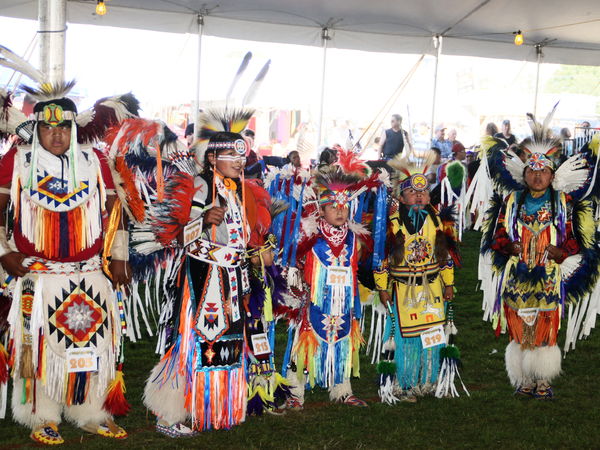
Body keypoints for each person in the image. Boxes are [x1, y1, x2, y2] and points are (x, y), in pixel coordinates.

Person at [0, 74, 137, 444]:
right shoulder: (20, 159)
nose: (56, 134)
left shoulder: (94, 161)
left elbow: (115, 212)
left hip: (90, 273)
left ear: (75, 129)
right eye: (48, 127)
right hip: (39, 275)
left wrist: (119, 257)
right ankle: (39, 413)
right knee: (37, 345)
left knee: (91, 343)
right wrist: (4, 252)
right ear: (37, 129)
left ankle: (90, 410)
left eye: (63, 127)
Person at [143, 111, 254, 436]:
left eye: (241, 152)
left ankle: (209, 407)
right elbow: (178, 237)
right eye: (230, 153)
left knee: (224, 343)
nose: (238, 159)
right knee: (193, 342)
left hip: (228, 279)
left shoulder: (232, 189)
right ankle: (168, 412)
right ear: (212, 156)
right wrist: (204, 220)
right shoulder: (203, 187)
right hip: (203, 280)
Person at [481, 111, 600, 400]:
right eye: (532, 171)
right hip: (517, 274)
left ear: (552, 174)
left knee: (546, 323)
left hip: (549, 275)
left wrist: (563, 252)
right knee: (518, 321)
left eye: (543, 171)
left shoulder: (565, 204)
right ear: (524, 174)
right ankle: (522, 378)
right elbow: (496, 234)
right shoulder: (511, 201)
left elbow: (578, 239)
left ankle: (543, 380)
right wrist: (507, 247)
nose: (537, 175)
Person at [286, 150, 375, 409]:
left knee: (344, 340)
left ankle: (342, 389)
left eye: (344, 207)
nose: (339, 211)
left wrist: (355, 303)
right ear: (320, 209)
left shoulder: (352, 237)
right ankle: (295, 392)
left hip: (344, 302)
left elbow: (356, 270)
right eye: (333, 207)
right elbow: (295, 265)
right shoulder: (310, 236)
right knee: (306, 341)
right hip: (316, 300)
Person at [375, 151, 459, 402]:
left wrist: (449, 283)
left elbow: (445, 255)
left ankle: (429, 380)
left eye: (423, 192)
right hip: (403, 289)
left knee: (432, 333)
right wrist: (382, 287)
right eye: (413, 191)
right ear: (401, 196)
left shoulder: (436, 219)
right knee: (407, 338)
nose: (419, 195)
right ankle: (404, 382)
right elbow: (381, 256)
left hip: (432, 287)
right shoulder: (391, 221)